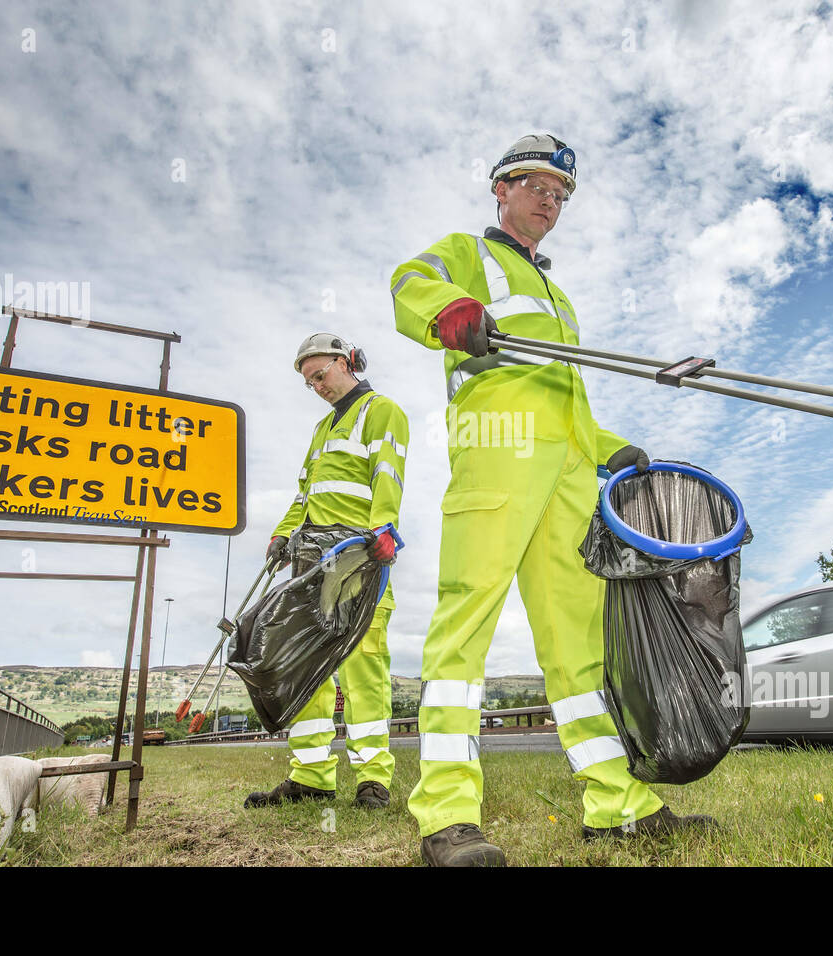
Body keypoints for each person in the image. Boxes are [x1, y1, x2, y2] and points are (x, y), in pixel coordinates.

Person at [390, 134, 718, 866]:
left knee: (580, 642)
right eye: (537, 186)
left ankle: (617, 805)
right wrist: (451, 312)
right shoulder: (463, 254)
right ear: (500, 189)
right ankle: (445, 815)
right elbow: (410, 284)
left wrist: (610, 449)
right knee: (466, 616)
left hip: (569, 468)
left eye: (561, 194)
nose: (550, 201)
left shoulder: (556, 295)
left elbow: (563, 393)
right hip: (497, 450)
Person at [244, 333, 408, 811]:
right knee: (306, 669)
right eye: (309, 383)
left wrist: (384, 528)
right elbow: (304, 493)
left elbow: (388, 473)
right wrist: (282, 532)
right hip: (311, 562)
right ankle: (311, 778)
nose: (317, 386)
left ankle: (373, 781)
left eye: (321, 375)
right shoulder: (321, 431)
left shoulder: (381, 411)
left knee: (363, 671)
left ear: (347, 361)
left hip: (359, 555)